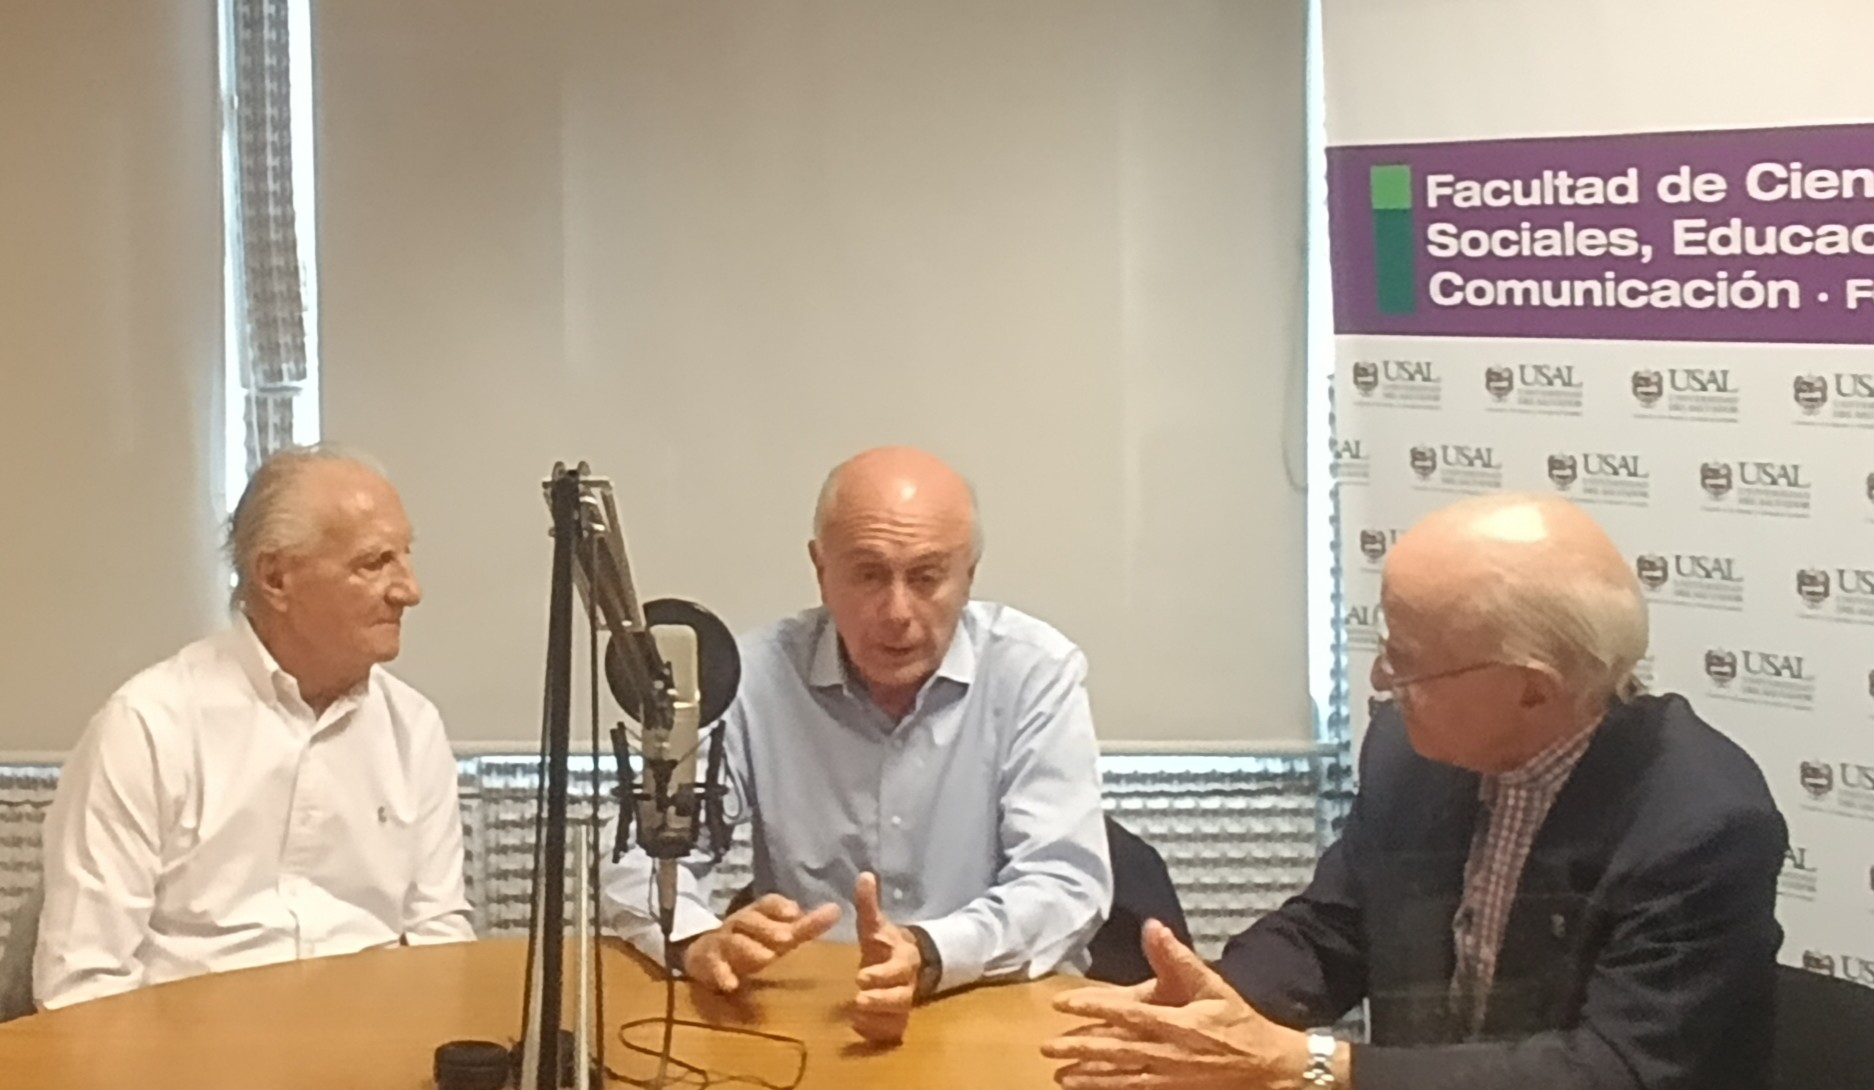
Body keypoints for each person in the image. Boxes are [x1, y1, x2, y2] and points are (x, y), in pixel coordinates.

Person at [1042, 491, 1785, 1090]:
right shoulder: (1412, 752)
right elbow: (1335, 927)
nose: (1380, 680)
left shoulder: (1703, 825)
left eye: (1409, 661)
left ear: (1533, 690)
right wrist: (1211, 1006)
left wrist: (1312, 1065)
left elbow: (1612, 1069)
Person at [600, 446, 1113, 1044]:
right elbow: (637, 853)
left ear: (969, 576)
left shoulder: (1033, 672)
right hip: (813, 1018)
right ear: (821, 570)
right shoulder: (756, 677)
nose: (897, 612)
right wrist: (696, 939)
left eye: (926, 577)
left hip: (988, 1005)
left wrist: (930, 953)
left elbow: (1064, 883)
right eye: (868, 574)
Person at [34, 445, 474, 1010]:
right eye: (373, 563)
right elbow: (82, 985)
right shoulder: (150, 727)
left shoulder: (413, 727)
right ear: (275, 577)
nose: (409, 590)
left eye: (405, 556)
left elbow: (440, 941)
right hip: (190, 1051)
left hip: (376, 1042)